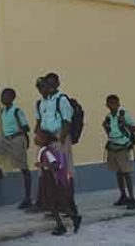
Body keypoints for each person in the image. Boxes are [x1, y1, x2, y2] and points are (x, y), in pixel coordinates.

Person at [35, 72, 79, 212]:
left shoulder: (61, 100)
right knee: (47, 171)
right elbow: (40, 121)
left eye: (53, 83)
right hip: (45, 139)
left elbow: (67, 121)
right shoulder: (43, 102)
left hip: (59, 137)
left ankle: (68, 204)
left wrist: (60, 141)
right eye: (48, 83)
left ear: (58, 83)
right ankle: (53, 204)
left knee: (64, 170)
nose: (50, 86)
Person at [0, 88, 33, 209]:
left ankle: (28, 197)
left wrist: (26, 141)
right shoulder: (3, 111)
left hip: (16, 139)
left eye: (6, 96)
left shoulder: (16, 111)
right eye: (2, 96)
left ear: (12, 98)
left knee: (24, 168)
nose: (3, 99)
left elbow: (25, 127)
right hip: (6, 139)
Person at [35, 130, 81, 236]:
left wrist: (42, 165)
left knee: (56, 204)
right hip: (47, 179)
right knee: (54, 205)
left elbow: (56, 165)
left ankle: (70, 220)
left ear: (44, 140)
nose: (36, 139)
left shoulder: (47, 151)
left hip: (52, 180)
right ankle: (64, 223)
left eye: (38, 137)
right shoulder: (43, 150)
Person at [103, 94, 135, 210]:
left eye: (114, 103)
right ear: (107, 105)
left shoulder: (123, 114)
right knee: (118, 172)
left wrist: (124, 122)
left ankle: (132, 198)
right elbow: (108, 130)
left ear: (118, 104)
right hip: (113, 146)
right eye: (110, 103)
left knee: (126, 173)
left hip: (123, 146)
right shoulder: (108, 117)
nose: (112, 106)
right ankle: (123, 195)